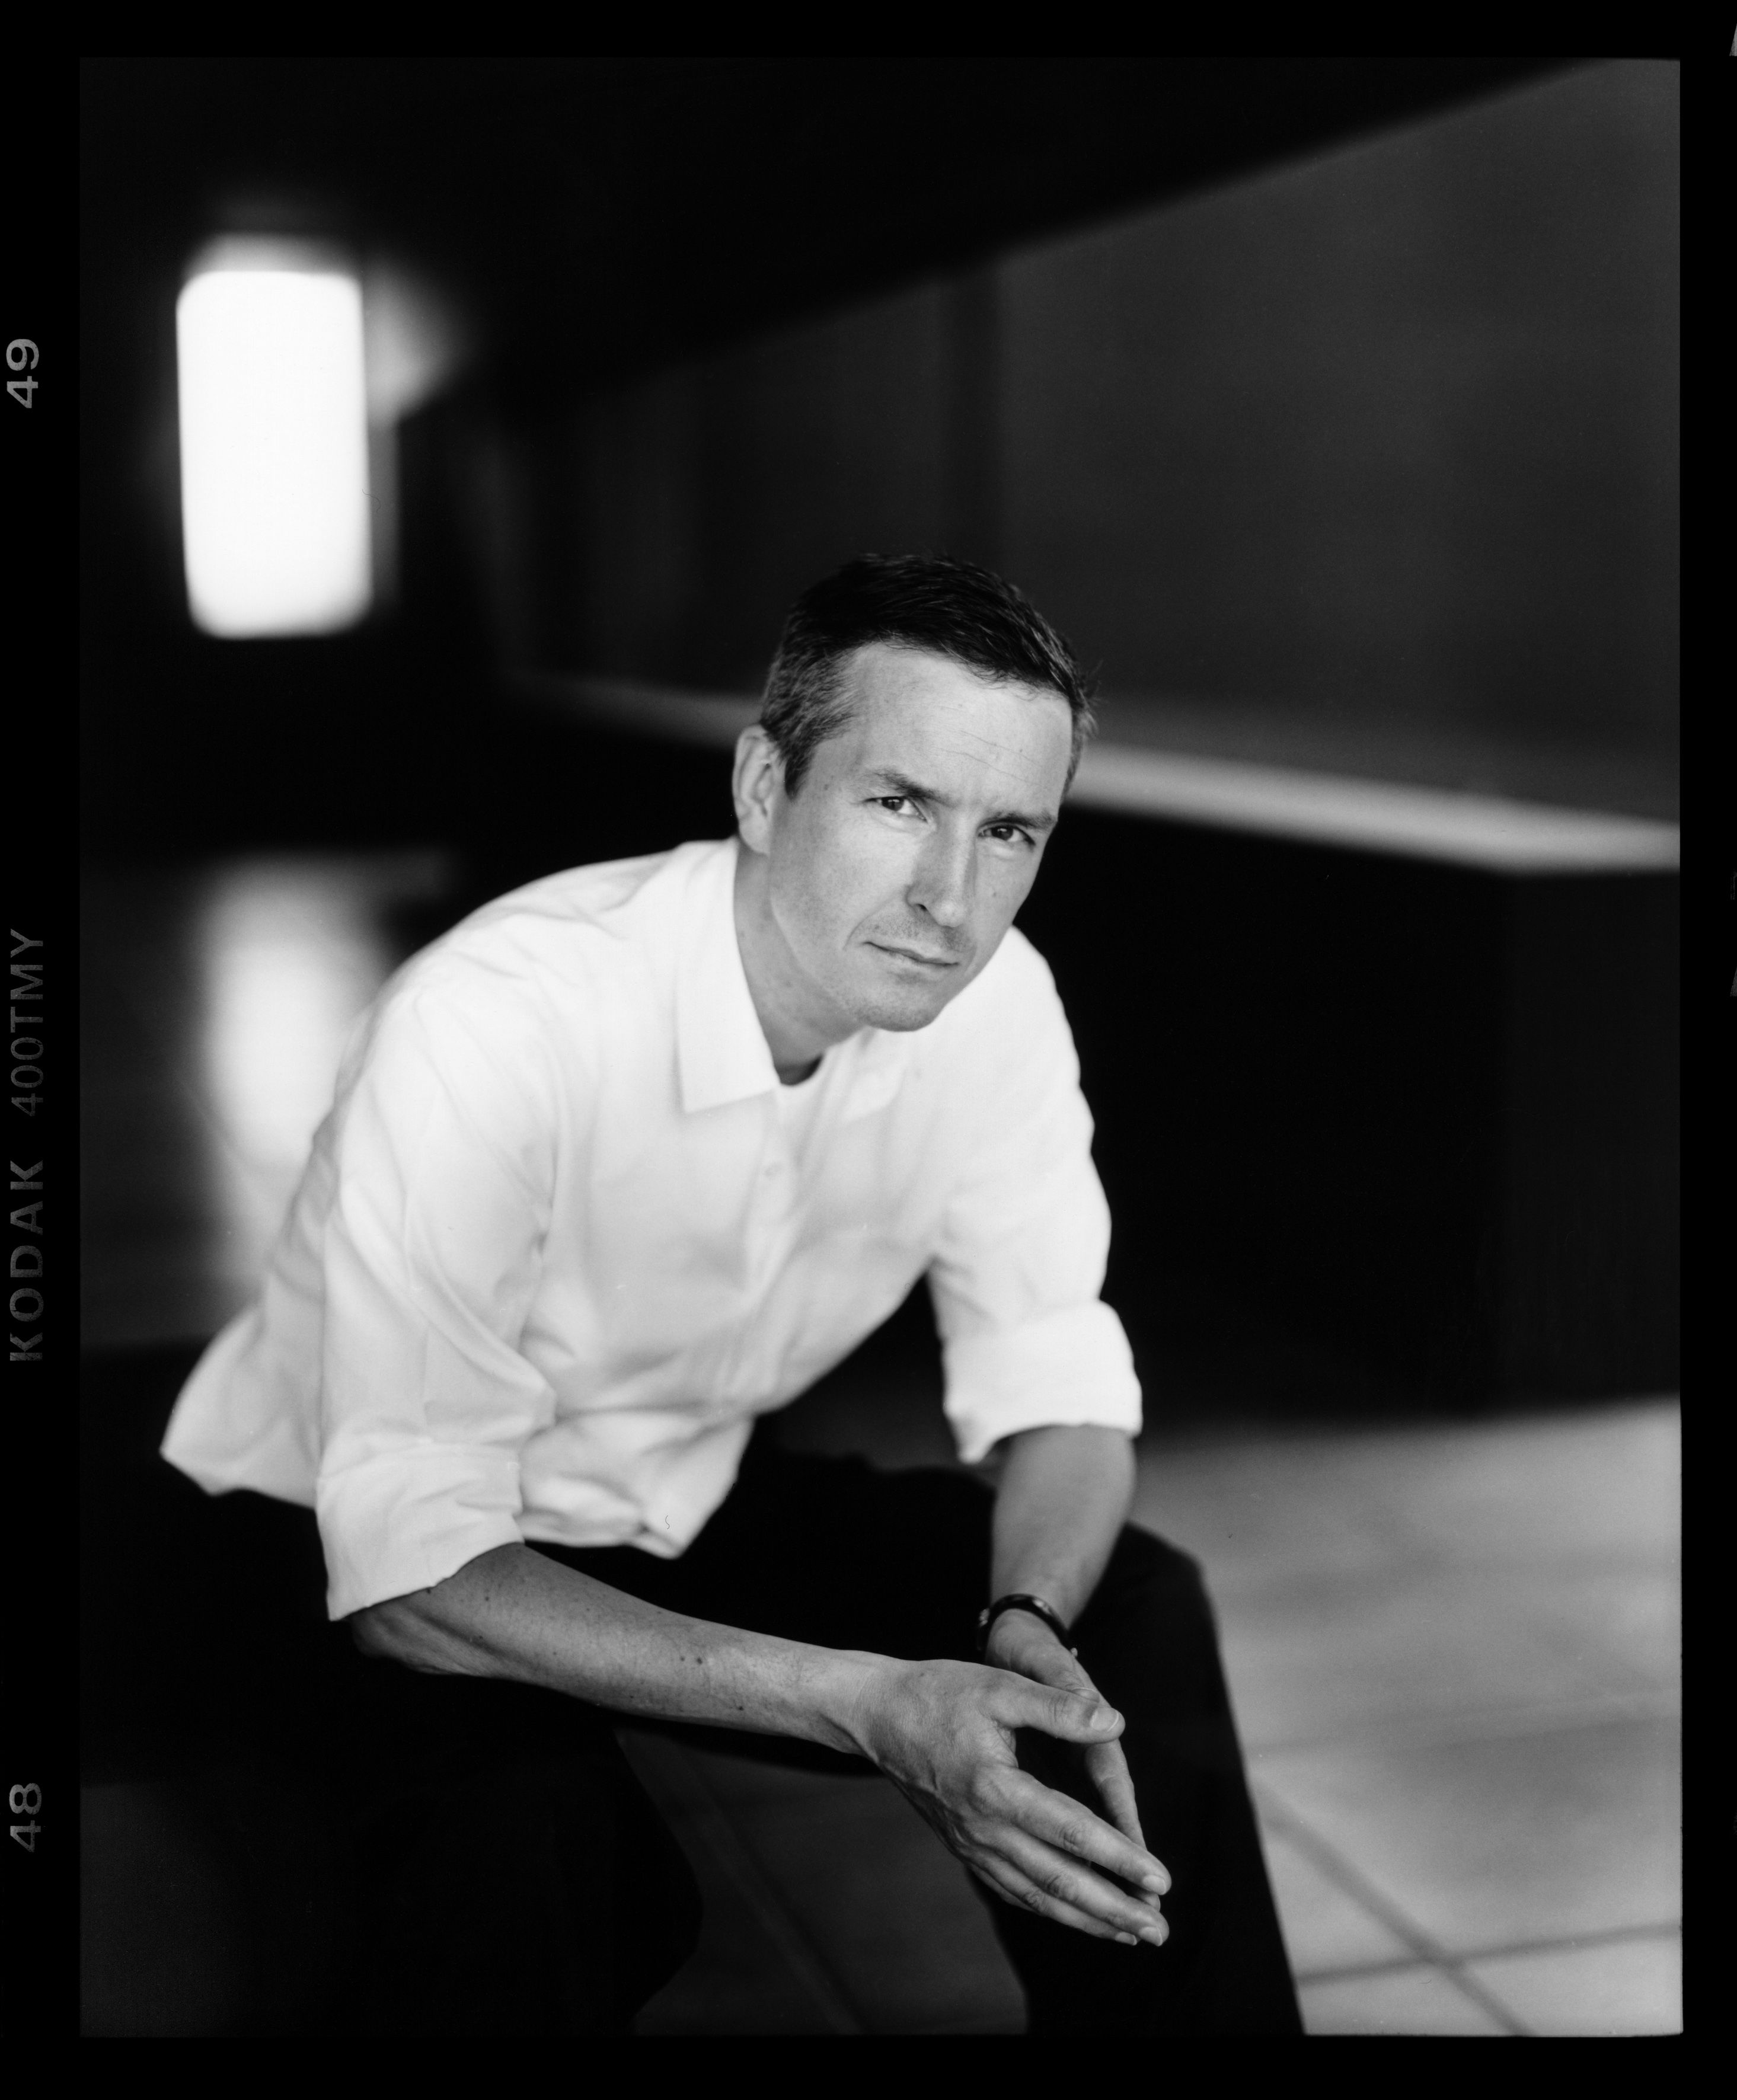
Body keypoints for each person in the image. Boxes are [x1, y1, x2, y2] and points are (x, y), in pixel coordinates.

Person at [161, 554, 1303, 2037]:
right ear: (765, 788)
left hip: (672, 1485)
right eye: (899, 802)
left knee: (1129, 1610)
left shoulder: (997, 1004)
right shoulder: (497, 1019)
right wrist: (865, 1701)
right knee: (547, 1852)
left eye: (1007, 829)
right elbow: (411, 1567)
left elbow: (1058, 1378)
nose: (950, 898)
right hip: (336, 1526)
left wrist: (1024, 1617)